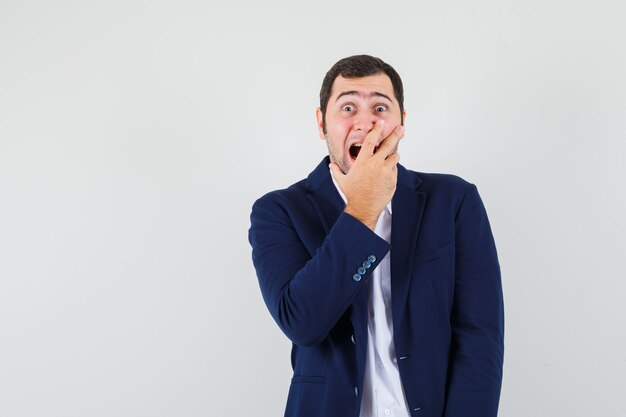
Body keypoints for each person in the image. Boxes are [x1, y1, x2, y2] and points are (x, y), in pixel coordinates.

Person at [248, 55, 504, 417]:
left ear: (402, 121)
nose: (365, 122)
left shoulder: (454, 201)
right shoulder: (278, 211)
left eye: (380, 107)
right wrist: (363, 208)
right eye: (348, 107)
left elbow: (480, 338)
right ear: (321, 123)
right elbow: (303, 323)